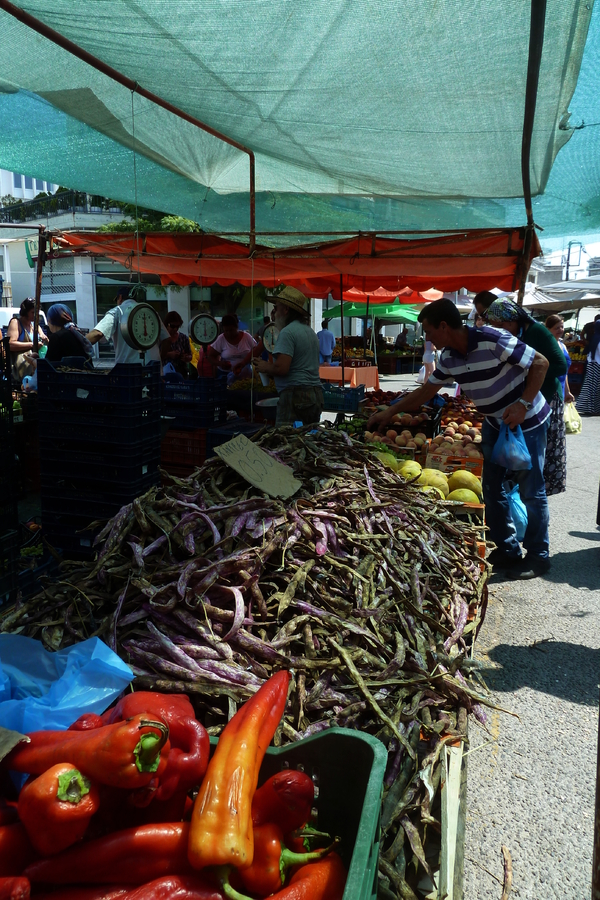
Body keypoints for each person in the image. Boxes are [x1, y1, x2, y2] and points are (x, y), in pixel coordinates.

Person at [367, 298, 551, 579]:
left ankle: (538, 556)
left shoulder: (494, 338)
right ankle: (508, 549)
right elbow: (426, 392)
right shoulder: (449, 358)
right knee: (492, 487)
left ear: (443, 326)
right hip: (494, 423)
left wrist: (523, 404)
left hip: (527, 422)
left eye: (428, 332)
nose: (427, 339)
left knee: (531, 488)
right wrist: (389, 412)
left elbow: (541, 363)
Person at [485, 300, 568, 498]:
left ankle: (535, 497)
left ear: (514, 319)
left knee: (538, 457)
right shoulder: (512, 336)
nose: (500, 330)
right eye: (496, 326)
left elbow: (560, 364)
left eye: (503, 324)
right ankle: (519, 494)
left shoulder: (537, 332)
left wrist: (529, 374)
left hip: (545, 397)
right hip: (523, 398)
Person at [254, 286, 323, 426]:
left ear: (285, 310)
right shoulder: (309, 331)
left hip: (296, 396)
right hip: (314, 394)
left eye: (276, 307)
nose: (274, 312)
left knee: (287, 441)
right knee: (308, 437)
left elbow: (282, 368)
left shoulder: (287, 332)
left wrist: (264, 366)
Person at [86, 286, 167, 366]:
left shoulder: (117, 312)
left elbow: (98, 334)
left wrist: (79, 343)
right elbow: (167, 339)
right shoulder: (151, 312)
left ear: (120, 297)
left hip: (128, 370)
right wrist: (159, 357)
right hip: (154, 369)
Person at [206, 314, 257, 384]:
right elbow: (210, 356)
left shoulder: (247, 337)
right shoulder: (220, 339)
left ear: (237, 327)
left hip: (245, 376)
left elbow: (256, 350)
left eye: (231, 330)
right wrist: (220, 363)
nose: (229, 333)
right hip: (225, 375)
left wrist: (246, 362)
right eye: (226, 331)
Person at [7, 298, 48, 382]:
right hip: (23, 365)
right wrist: (33, 344)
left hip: (37, 365)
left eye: (37, 312)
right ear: (25, 312)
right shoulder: (16, 323)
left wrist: (45, 339)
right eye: (33, 312)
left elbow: (45, 338)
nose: (35, 315)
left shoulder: (35, 326)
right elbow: (10, 344)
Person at [576, 318, 600, 416]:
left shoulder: (595, 337)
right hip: (598, 366)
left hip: (591, 365)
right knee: (596, 389)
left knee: (589, 388)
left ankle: (587, 408)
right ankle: (594, 409)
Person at [160, 311, 192, 377]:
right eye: (173, 326)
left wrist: (186, 357)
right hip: (165, 372)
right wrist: (169, 354)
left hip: (181, 372)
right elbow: (156, 356)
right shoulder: (160, 338)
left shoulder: (183, 338)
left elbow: (190, 355)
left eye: (177, 326)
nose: (175, 329)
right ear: (167, 324)